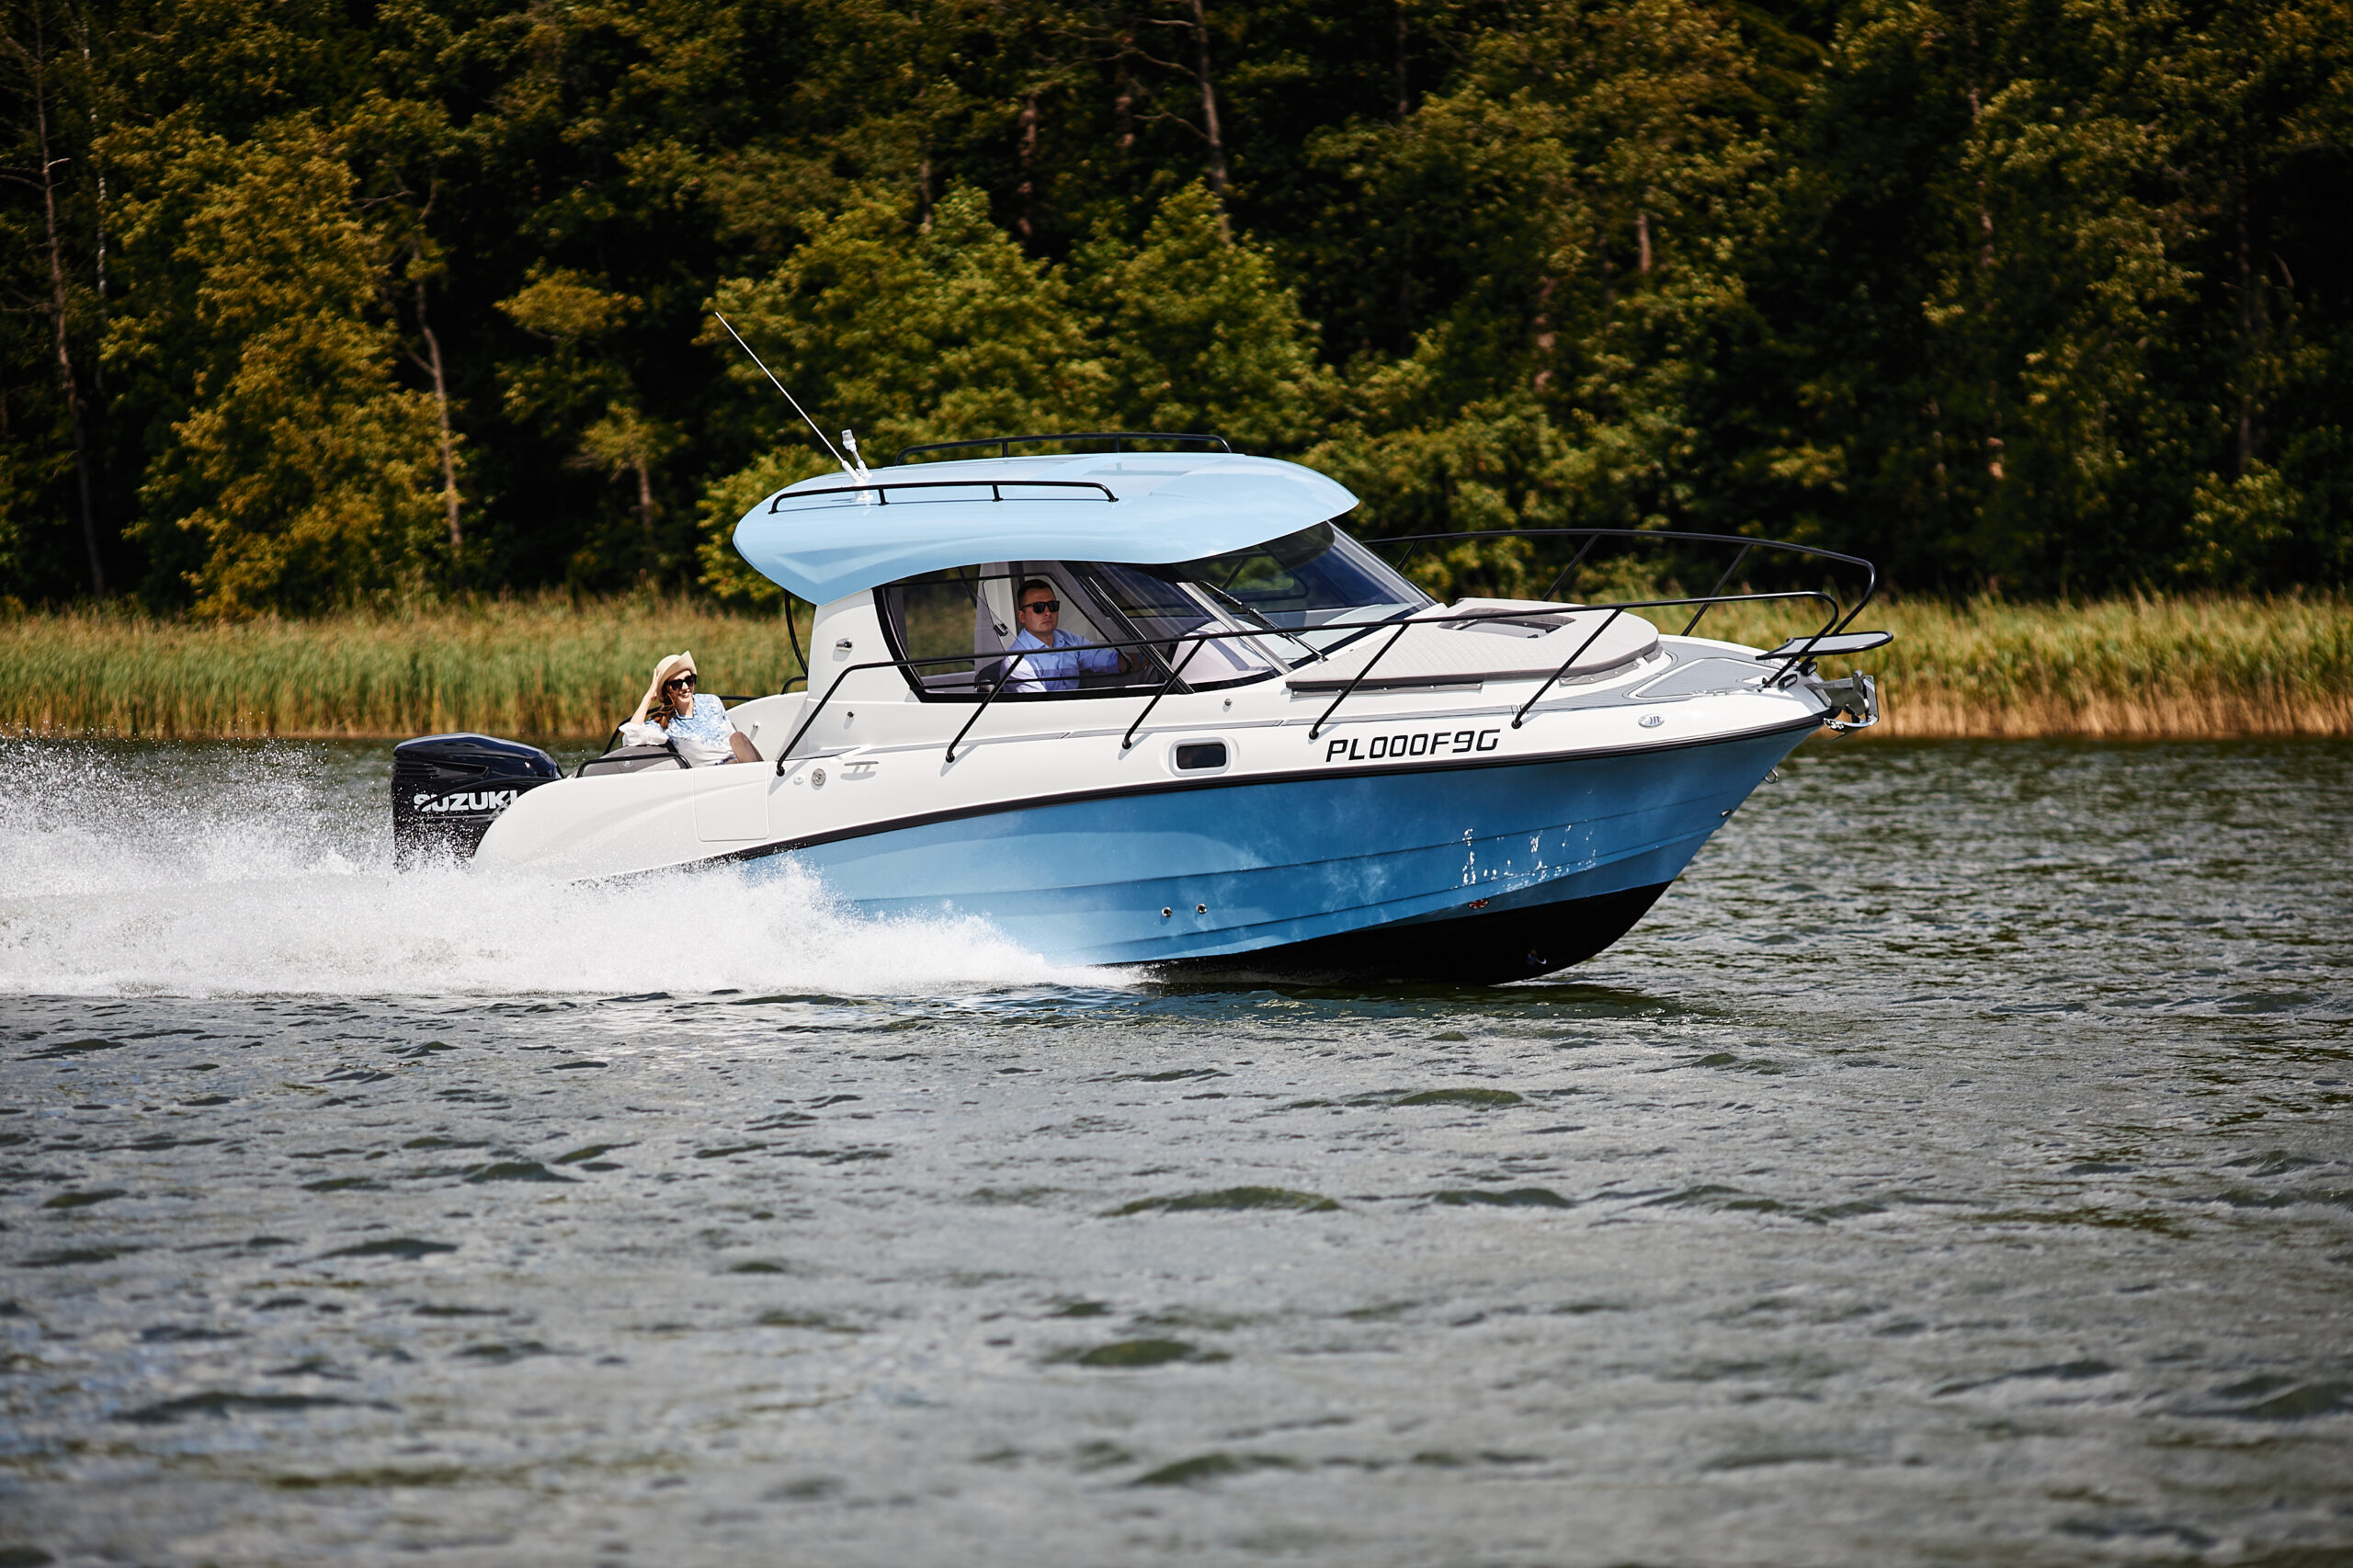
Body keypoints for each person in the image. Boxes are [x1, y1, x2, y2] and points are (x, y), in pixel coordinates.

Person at [619, 652, 759, 765]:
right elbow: (631, 736)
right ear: (667, 690)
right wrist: (649, 696)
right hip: (711, 778)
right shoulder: (666, 724)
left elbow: (731, 736)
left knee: (738, 738)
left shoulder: (712, 702)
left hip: (738, 767)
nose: (685, 687)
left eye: (689, 680)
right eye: (677, 684)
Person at [1003, 579, 1131, 692]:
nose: (1048, 612)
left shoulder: (1070, 640)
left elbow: (1110, 661)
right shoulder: (1016, 662)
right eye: (1039, 607)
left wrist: (1138, 660)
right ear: (1022, 616)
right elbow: (1041, 707)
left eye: (1052, 605)